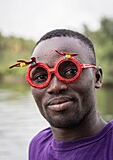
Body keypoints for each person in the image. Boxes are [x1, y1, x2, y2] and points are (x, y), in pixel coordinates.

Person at [10, 29, 113, 160]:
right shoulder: (38, 145)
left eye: (70, 71)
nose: (55, 87)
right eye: (41, 76)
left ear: (97, 77)